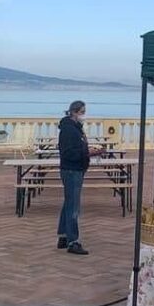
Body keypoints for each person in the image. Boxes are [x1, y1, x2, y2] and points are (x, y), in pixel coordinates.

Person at [57, 101, 104, 255]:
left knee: (68, 203)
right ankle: (73, 241)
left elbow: (77, 148)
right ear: (74, 112)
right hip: (72, 170)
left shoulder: (76, 128)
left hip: (76, 169)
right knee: (73, 206)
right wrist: (87, 153)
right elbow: (68, 152)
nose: (84, 115)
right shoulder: (69, 130)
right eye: (82, 112)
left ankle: (63, 235)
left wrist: (87, 150)